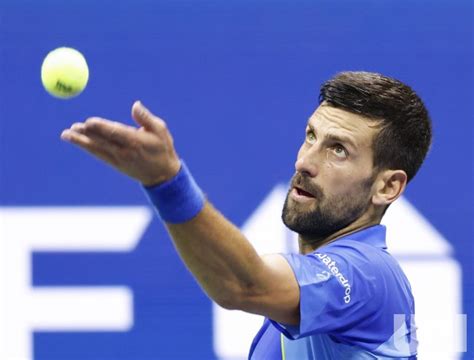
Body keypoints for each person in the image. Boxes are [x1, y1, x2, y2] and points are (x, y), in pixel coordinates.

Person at [61, 71, 431, 359]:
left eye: (338, 151)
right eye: (311, 135)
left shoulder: (368, 276)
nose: (304, 162)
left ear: (387, 187)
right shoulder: (302, 311)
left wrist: (167, 182)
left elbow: (245, 285)